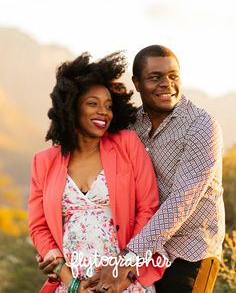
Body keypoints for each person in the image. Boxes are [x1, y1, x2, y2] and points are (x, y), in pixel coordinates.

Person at [83, 45, 225, 293]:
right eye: (155, 77)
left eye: (173, 76)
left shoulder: (202, 127)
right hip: (141, 250)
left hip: (189, 252)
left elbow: (181, 202)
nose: (166, 84)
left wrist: (128, 258)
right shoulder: (130, 125)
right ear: (137, 83)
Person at [28, 52, 166, 293]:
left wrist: (121, 270)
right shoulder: (44, 161)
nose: (104, 111)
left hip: (122, 280)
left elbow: (148, 208)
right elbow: (39, 228)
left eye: (109, 105)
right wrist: (71, 283)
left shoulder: (127, 145)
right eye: (93, 103)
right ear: (72, 106)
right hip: (72, 283)